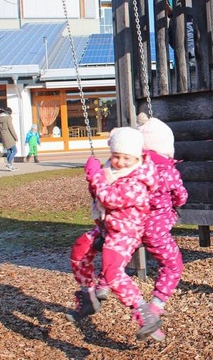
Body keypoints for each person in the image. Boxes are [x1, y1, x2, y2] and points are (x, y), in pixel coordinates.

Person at [67, 127, 162, 340]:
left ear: (137, 157)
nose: (120, 162)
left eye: (126, 158)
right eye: (115, 156)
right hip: (108, 226)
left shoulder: (139, 180)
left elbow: (109, 198)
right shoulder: (113, 171)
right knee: (80, 249)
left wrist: (94, 175)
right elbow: (97, 195)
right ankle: (88, 296)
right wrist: (96, 176)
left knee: (112, 271)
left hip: (126, 231)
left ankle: (144, 314)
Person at [129, 112, 188, 341]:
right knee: (172, 266)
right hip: (156, 232)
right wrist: (177, 203)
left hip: (133, 228)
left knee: (117, 262)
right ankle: (155, 306)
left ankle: (101, 287)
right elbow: (181, 196)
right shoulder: (168, 171)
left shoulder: (133, 169)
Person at [0, 107, 18, 171]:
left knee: (9, 151)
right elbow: (11, 128)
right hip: (9, 136)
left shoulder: (0, 118)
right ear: (9, 113)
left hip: (4, 137)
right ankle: (9, 164)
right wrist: (15, 137)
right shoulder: (8, 118)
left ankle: (10, 165)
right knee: (15, 151)